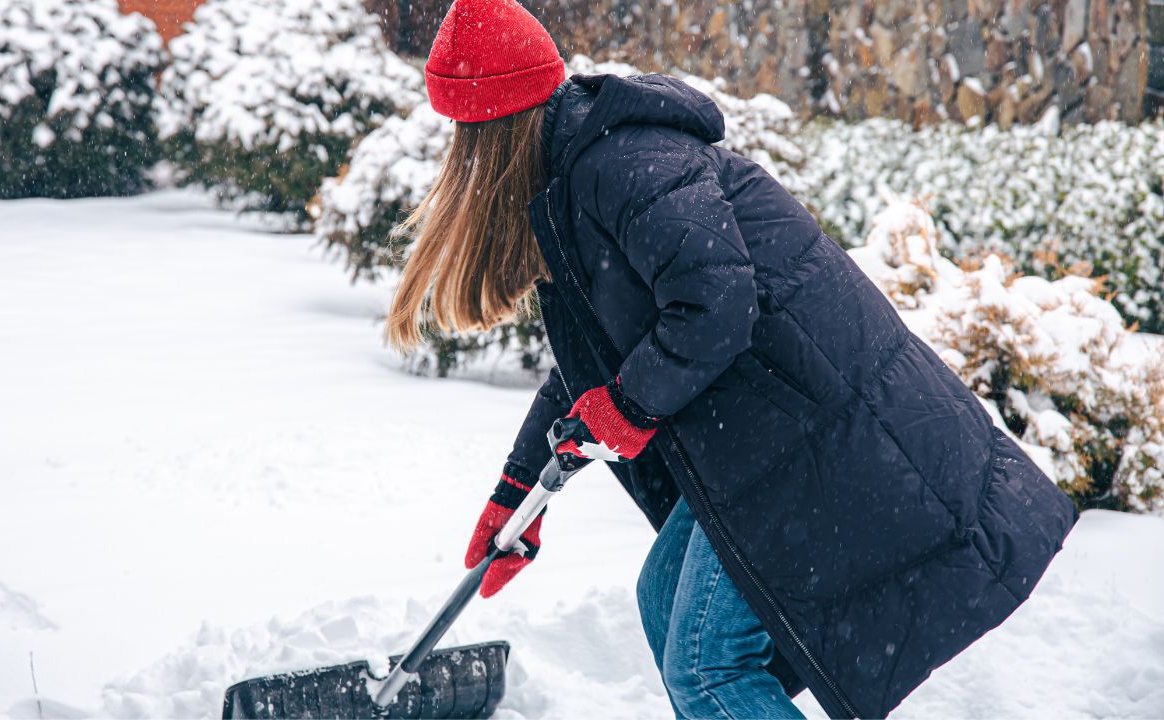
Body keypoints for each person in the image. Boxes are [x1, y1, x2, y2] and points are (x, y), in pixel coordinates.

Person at [386, 1, 1080, 717]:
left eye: (463, 134)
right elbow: (591, 366)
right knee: (666, 606)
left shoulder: (622, 164)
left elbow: (714, 300)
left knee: (707, 665)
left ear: (491, 129)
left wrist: (628, 407)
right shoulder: (575, 175)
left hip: (816, 437)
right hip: (767, 439)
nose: (459, 158)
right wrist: (517, 487)